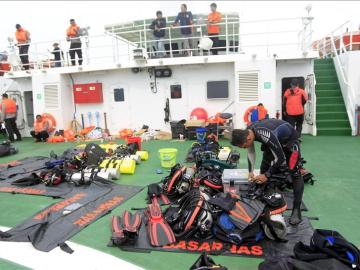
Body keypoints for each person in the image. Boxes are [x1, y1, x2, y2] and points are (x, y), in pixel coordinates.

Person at [231, 119, 304, 225]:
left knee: (295, 173)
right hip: (274, 141)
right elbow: (251, 152)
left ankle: (296, 209)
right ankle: (263, 191)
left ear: (248, 138)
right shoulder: (247, 132)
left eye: (244, 146)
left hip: (289, 140)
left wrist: (267, 175)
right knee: (265, 163)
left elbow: (280, 158)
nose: (244, 148)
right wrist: (250, 171)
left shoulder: (265, 134)